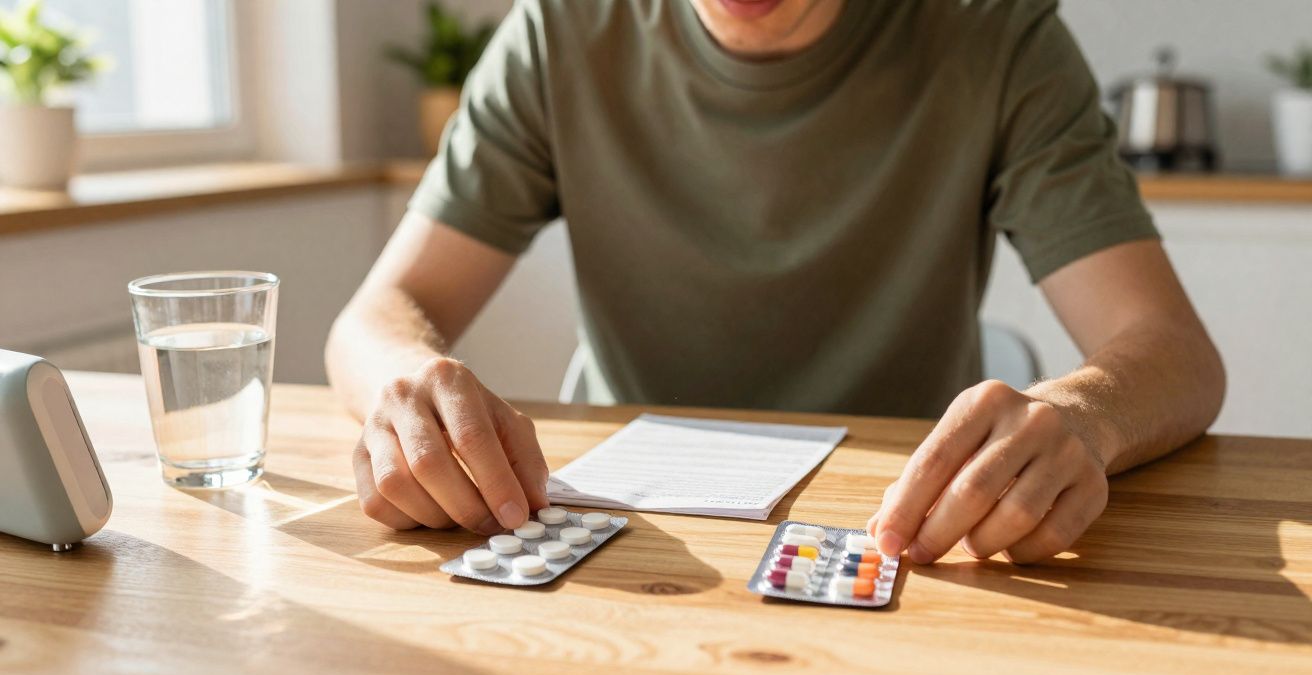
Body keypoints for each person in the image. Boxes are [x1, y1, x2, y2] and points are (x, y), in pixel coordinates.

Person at [326, 0, 1225, 565]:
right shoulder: (558, 30)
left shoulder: (999, 34)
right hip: (619, 534)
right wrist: (404, 381)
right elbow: (377, 316)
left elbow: (1175, 351)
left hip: (898, 529)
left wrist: (1084, 413)